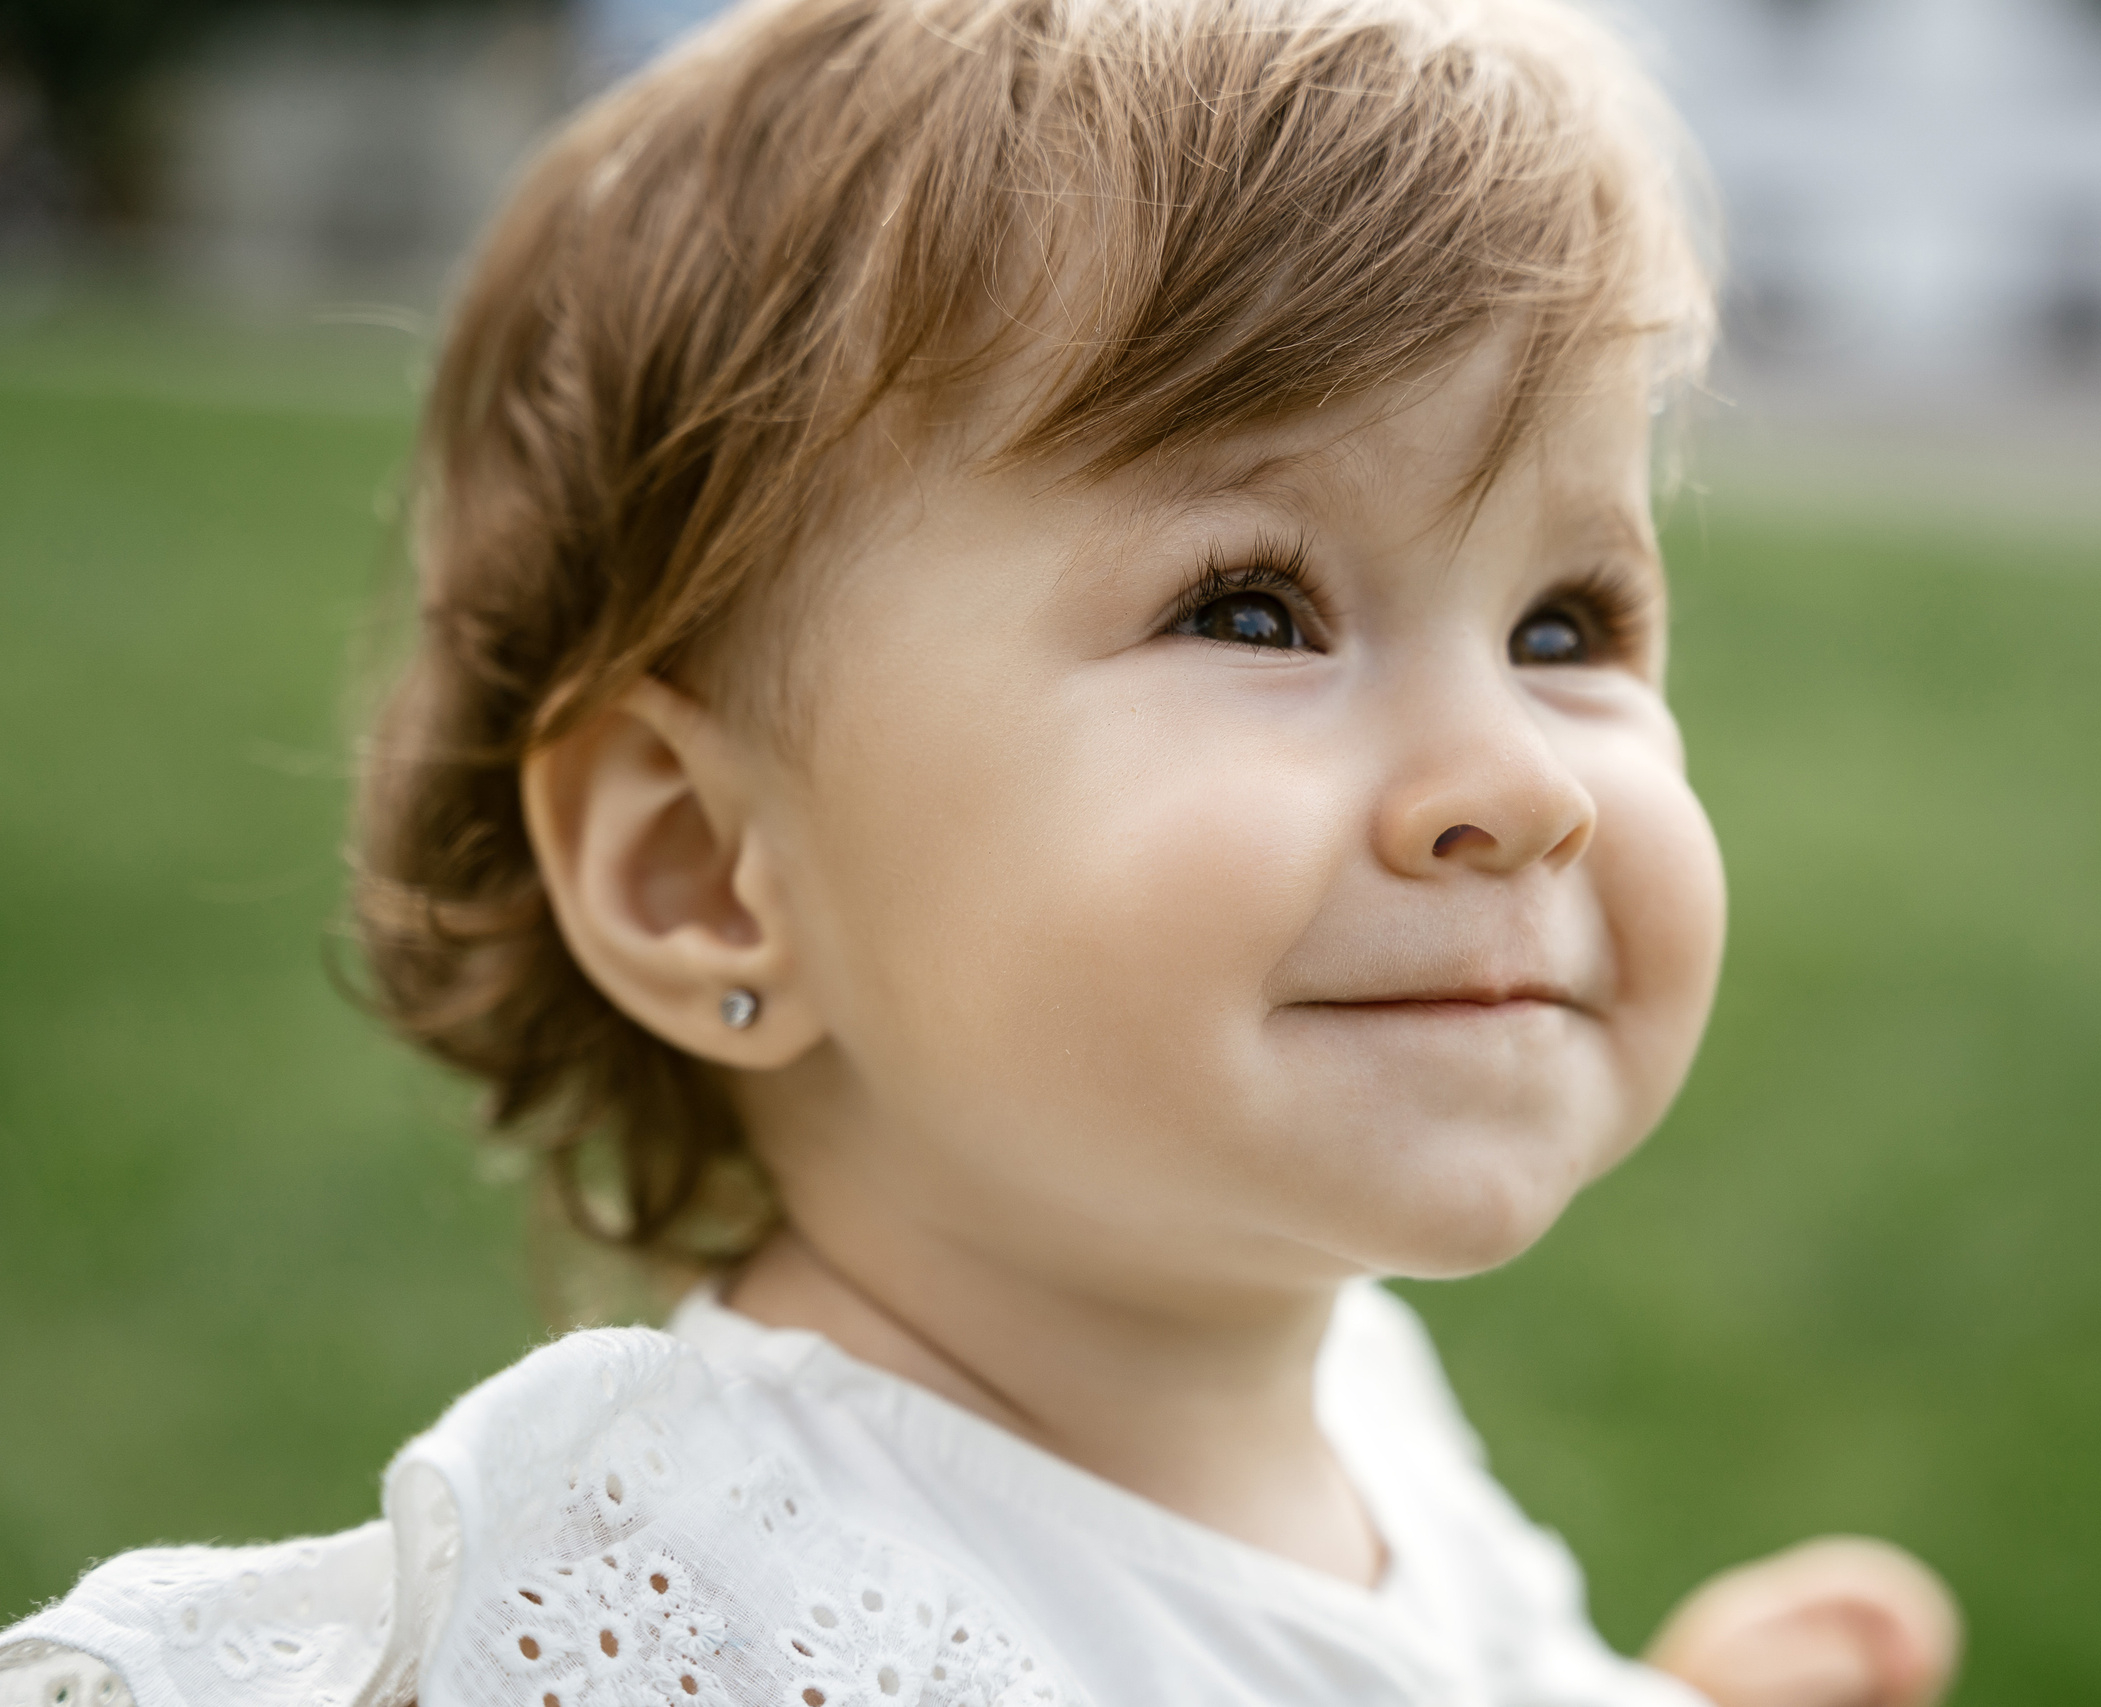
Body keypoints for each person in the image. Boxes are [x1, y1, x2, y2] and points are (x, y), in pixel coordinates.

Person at [0, 0, 1963, 1701]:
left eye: (1564, 626)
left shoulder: (1351, 1391)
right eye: (1253, 608)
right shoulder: (677, 1602)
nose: (1516, 779)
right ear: (707, 868)